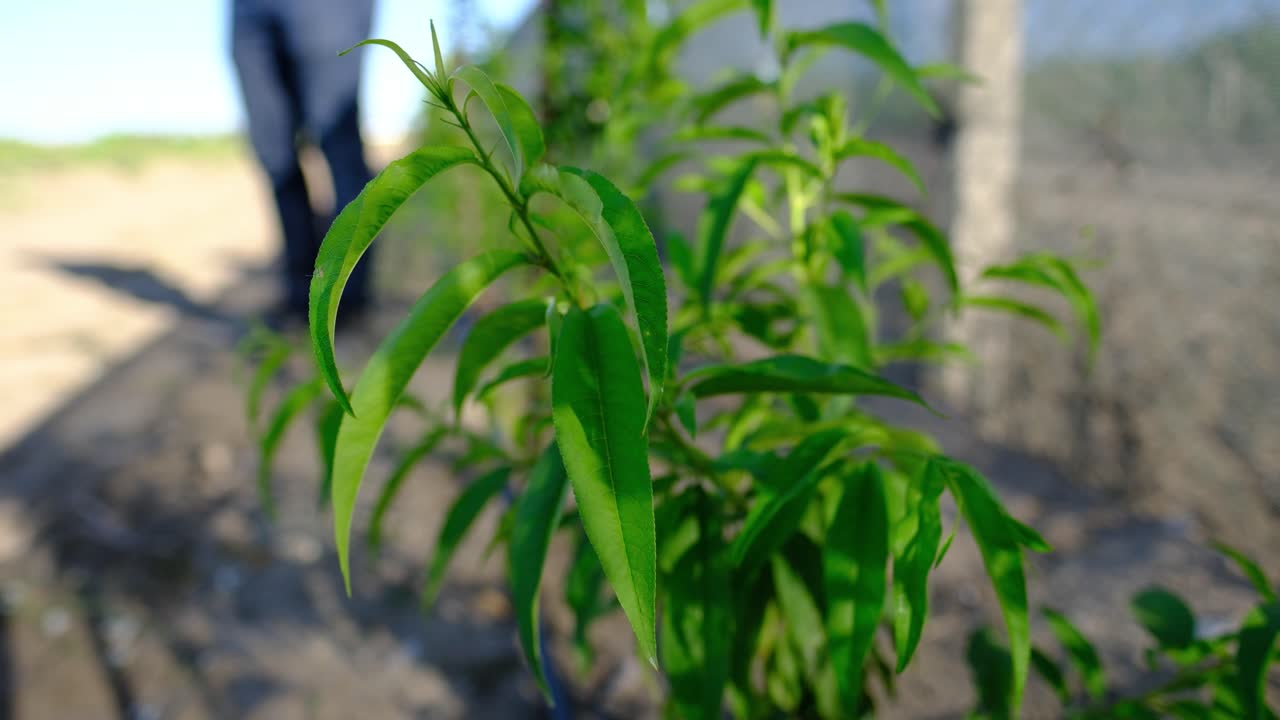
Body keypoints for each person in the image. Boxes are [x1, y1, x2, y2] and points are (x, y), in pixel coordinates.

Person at [230, 0, 377, 327]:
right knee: (274, 152)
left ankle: (347, 298)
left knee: (339, 143)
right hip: (249, 11)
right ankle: (302, 295)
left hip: (326, 9)